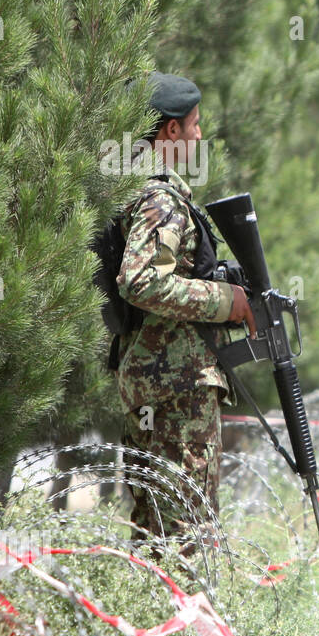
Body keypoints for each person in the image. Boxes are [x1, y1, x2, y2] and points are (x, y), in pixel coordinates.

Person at [115, 72, 256, 543]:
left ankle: (147, 614)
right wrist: (225, 302)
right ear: (170, 131)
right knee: (188, 536)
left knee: (155, 534)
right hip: (177, 386)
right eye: (193, 126)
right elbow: (140, 281)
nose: (199, 136)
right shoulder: (161, 198)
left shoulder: (133, 187)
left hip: (153, 381)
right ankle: (189, 617)